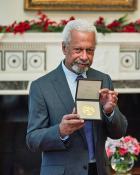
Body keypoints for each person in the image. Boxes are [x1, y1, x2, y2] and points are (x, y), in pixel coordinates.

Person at [26, 19, 128, 175]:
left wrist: (109, 112)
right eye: (78, 49)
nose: (84, 56)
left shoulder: (104, 80)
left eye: (90, 50)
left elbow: (118, 133)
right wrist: (60, 131)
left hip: (99, 170)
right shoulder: (41, 86)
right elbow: (32, 140)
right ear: (64, 48)